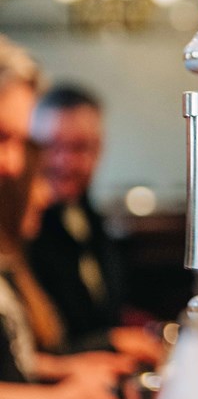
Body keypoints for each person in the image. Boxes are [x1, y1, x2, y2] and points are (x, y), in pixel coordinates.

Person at [0, 35, 134, 399]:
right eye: (4, 138)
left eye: (19, 142)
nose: (18, 167)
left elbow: (16, 358)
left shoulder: (94, 221)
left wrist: (63, 370)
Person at [28, 84, 161, 364]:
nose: (66, 162)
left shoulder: (90, 216)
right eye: (53, 146)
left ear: (99, 149)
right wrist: (110, 342)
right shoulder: (22, 232)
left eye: (80, 148)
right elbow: (30, 352)